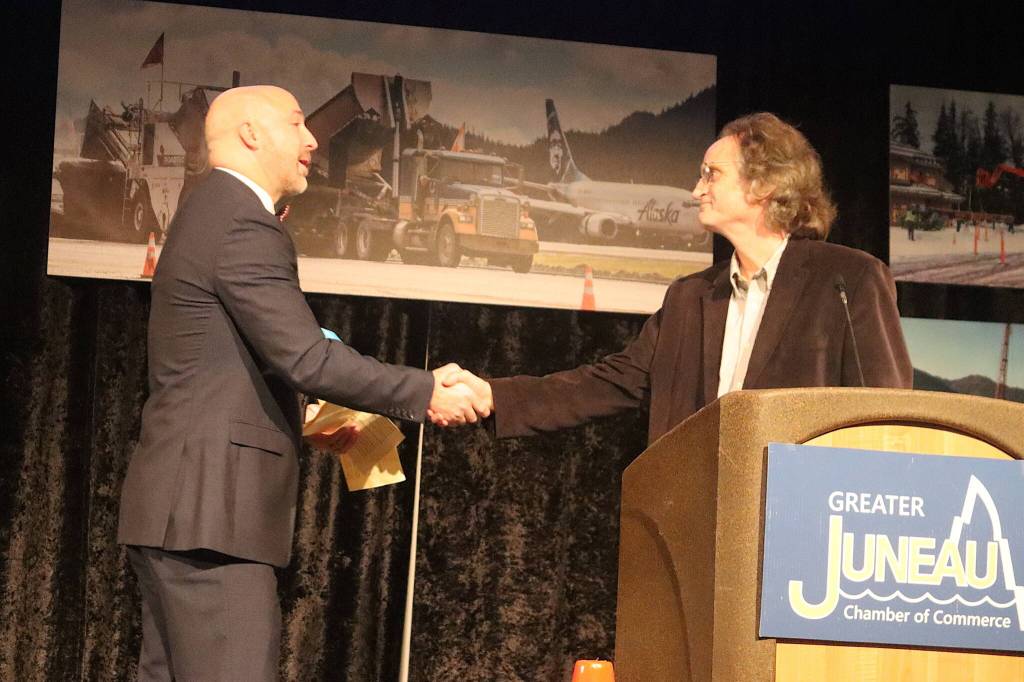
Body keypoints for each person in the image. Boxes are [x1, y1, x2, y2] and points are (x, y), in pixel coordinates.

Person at [117, 85, 485, 681]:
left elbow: (271, 356)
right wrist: (425, 391)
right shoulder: (240, 219)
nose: (313, 138)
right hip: (211, 514)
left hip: (184, 509)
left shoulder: (212, 208)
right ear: (251, 135)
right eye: (296, 124)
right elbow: (307, 358)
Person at [441, 112, 912, 442]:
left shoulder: (848, 280)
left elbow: (885, 421)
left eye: (711, 175)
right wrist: (493, 395)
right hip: (699, 528)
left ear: (765, 185)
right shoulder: (689, 299)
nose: (696, 189)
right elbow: (608, 384)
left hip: (809, 538)